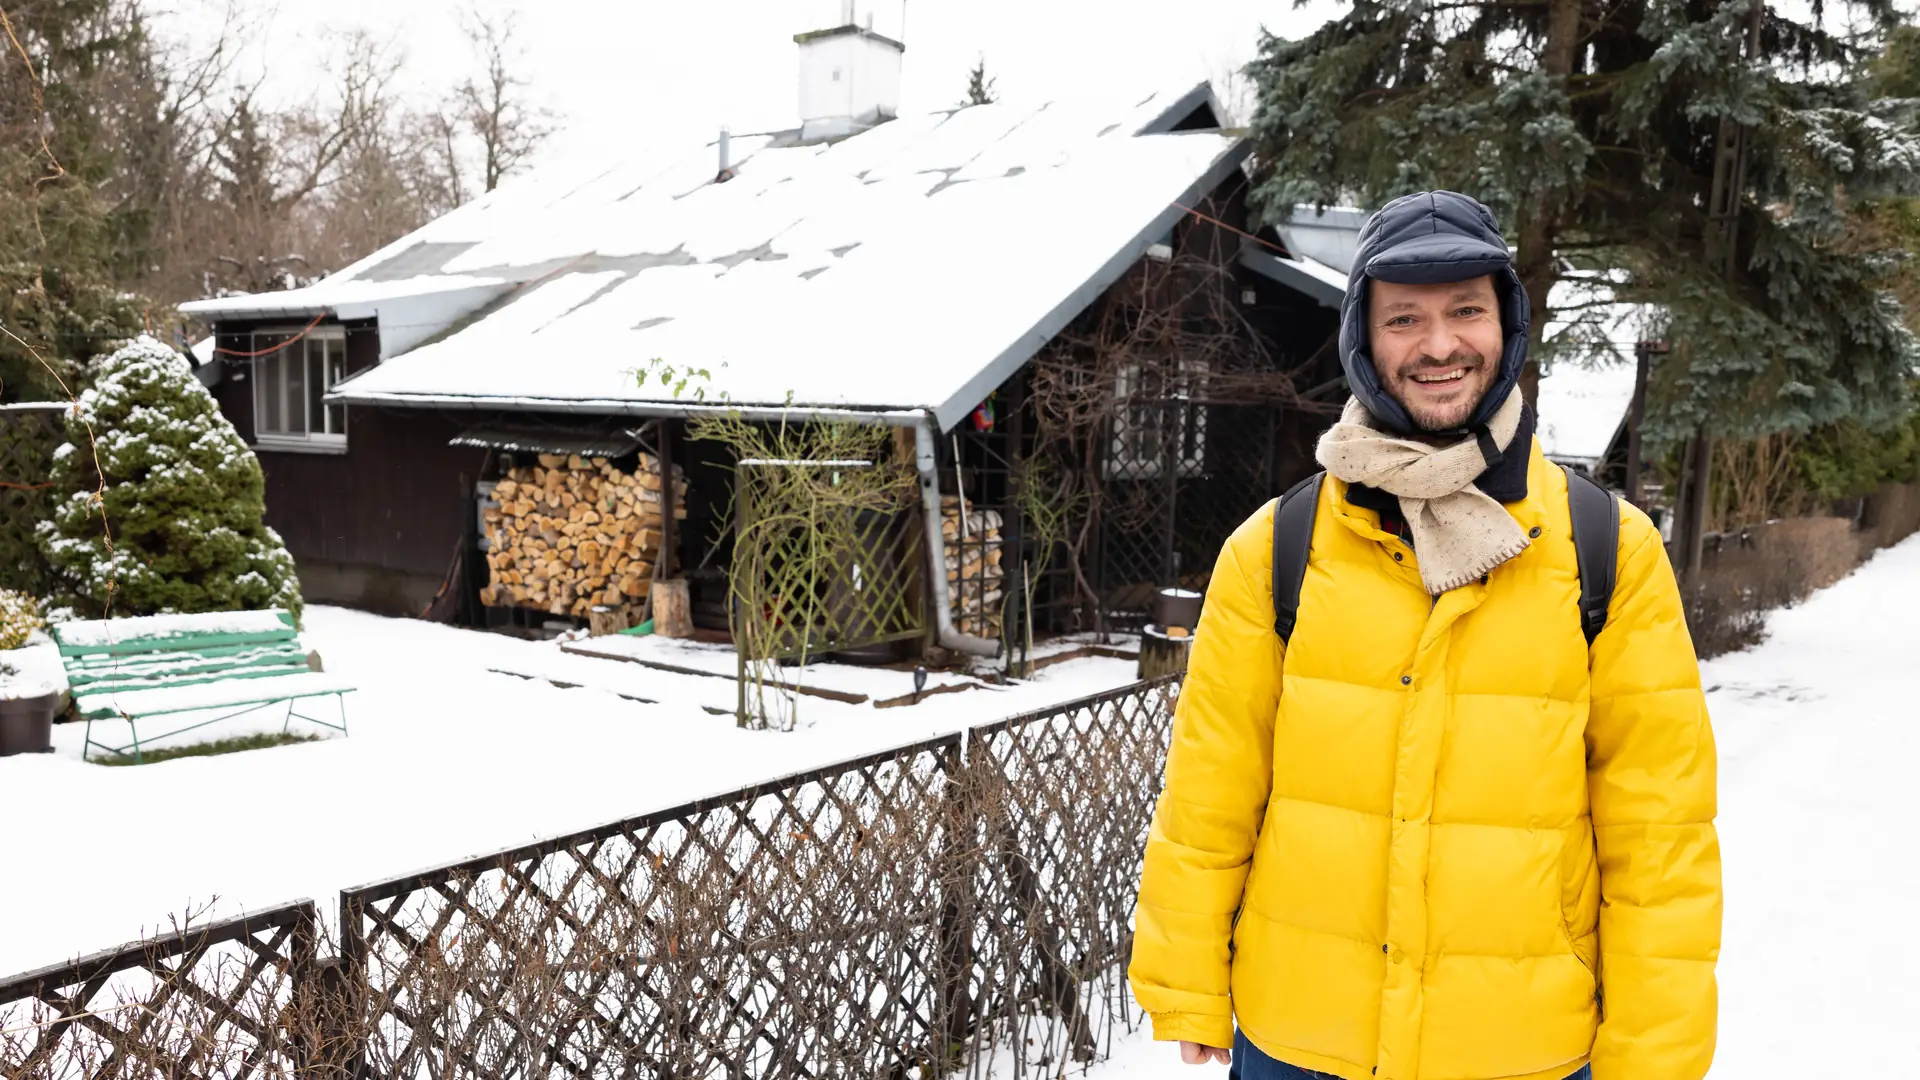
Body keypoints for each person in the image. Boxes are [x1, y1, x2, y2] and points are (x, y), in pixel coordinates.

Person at [1127, 191, 1720, 1080]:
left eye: (1465, 311)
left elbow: (1660, 833)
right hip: (1303, 1037)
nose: (1439, 345)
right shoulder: (1277, 549)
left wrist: (1655, 1053)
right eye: (1404, 317)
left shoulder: (1606, 550)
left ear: (1507, 326)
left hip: (1521, 1046)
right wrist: (1186, 978)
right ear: (1364, 340)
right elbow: (1213, 785)